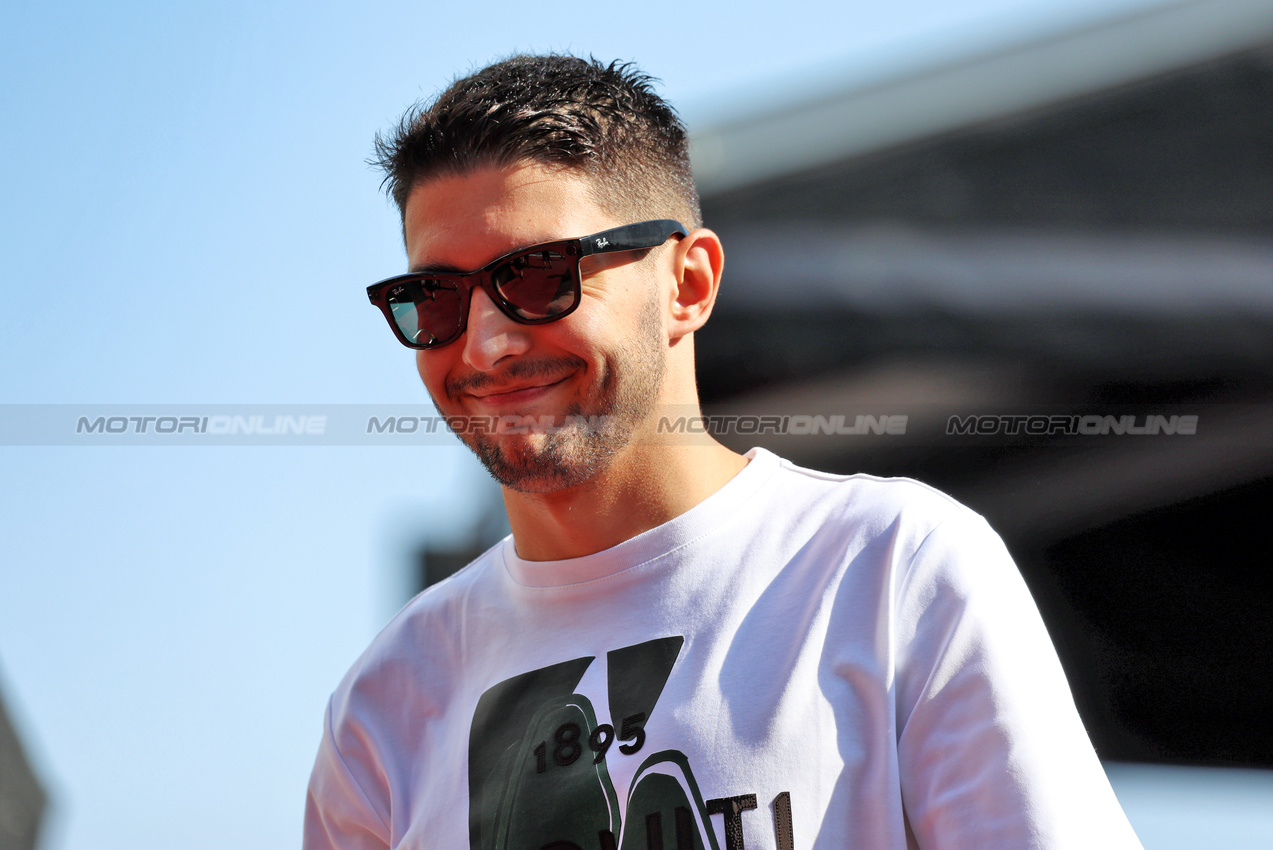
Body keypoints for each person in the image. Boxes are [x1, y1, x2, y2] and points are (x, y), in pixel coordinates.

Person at [305, 55, 1143, 850]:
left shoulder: (890, 568)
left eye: (537, 276)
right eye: (434, 298)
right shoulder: (384, 704)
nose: (484, 344)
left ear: (688, 285)